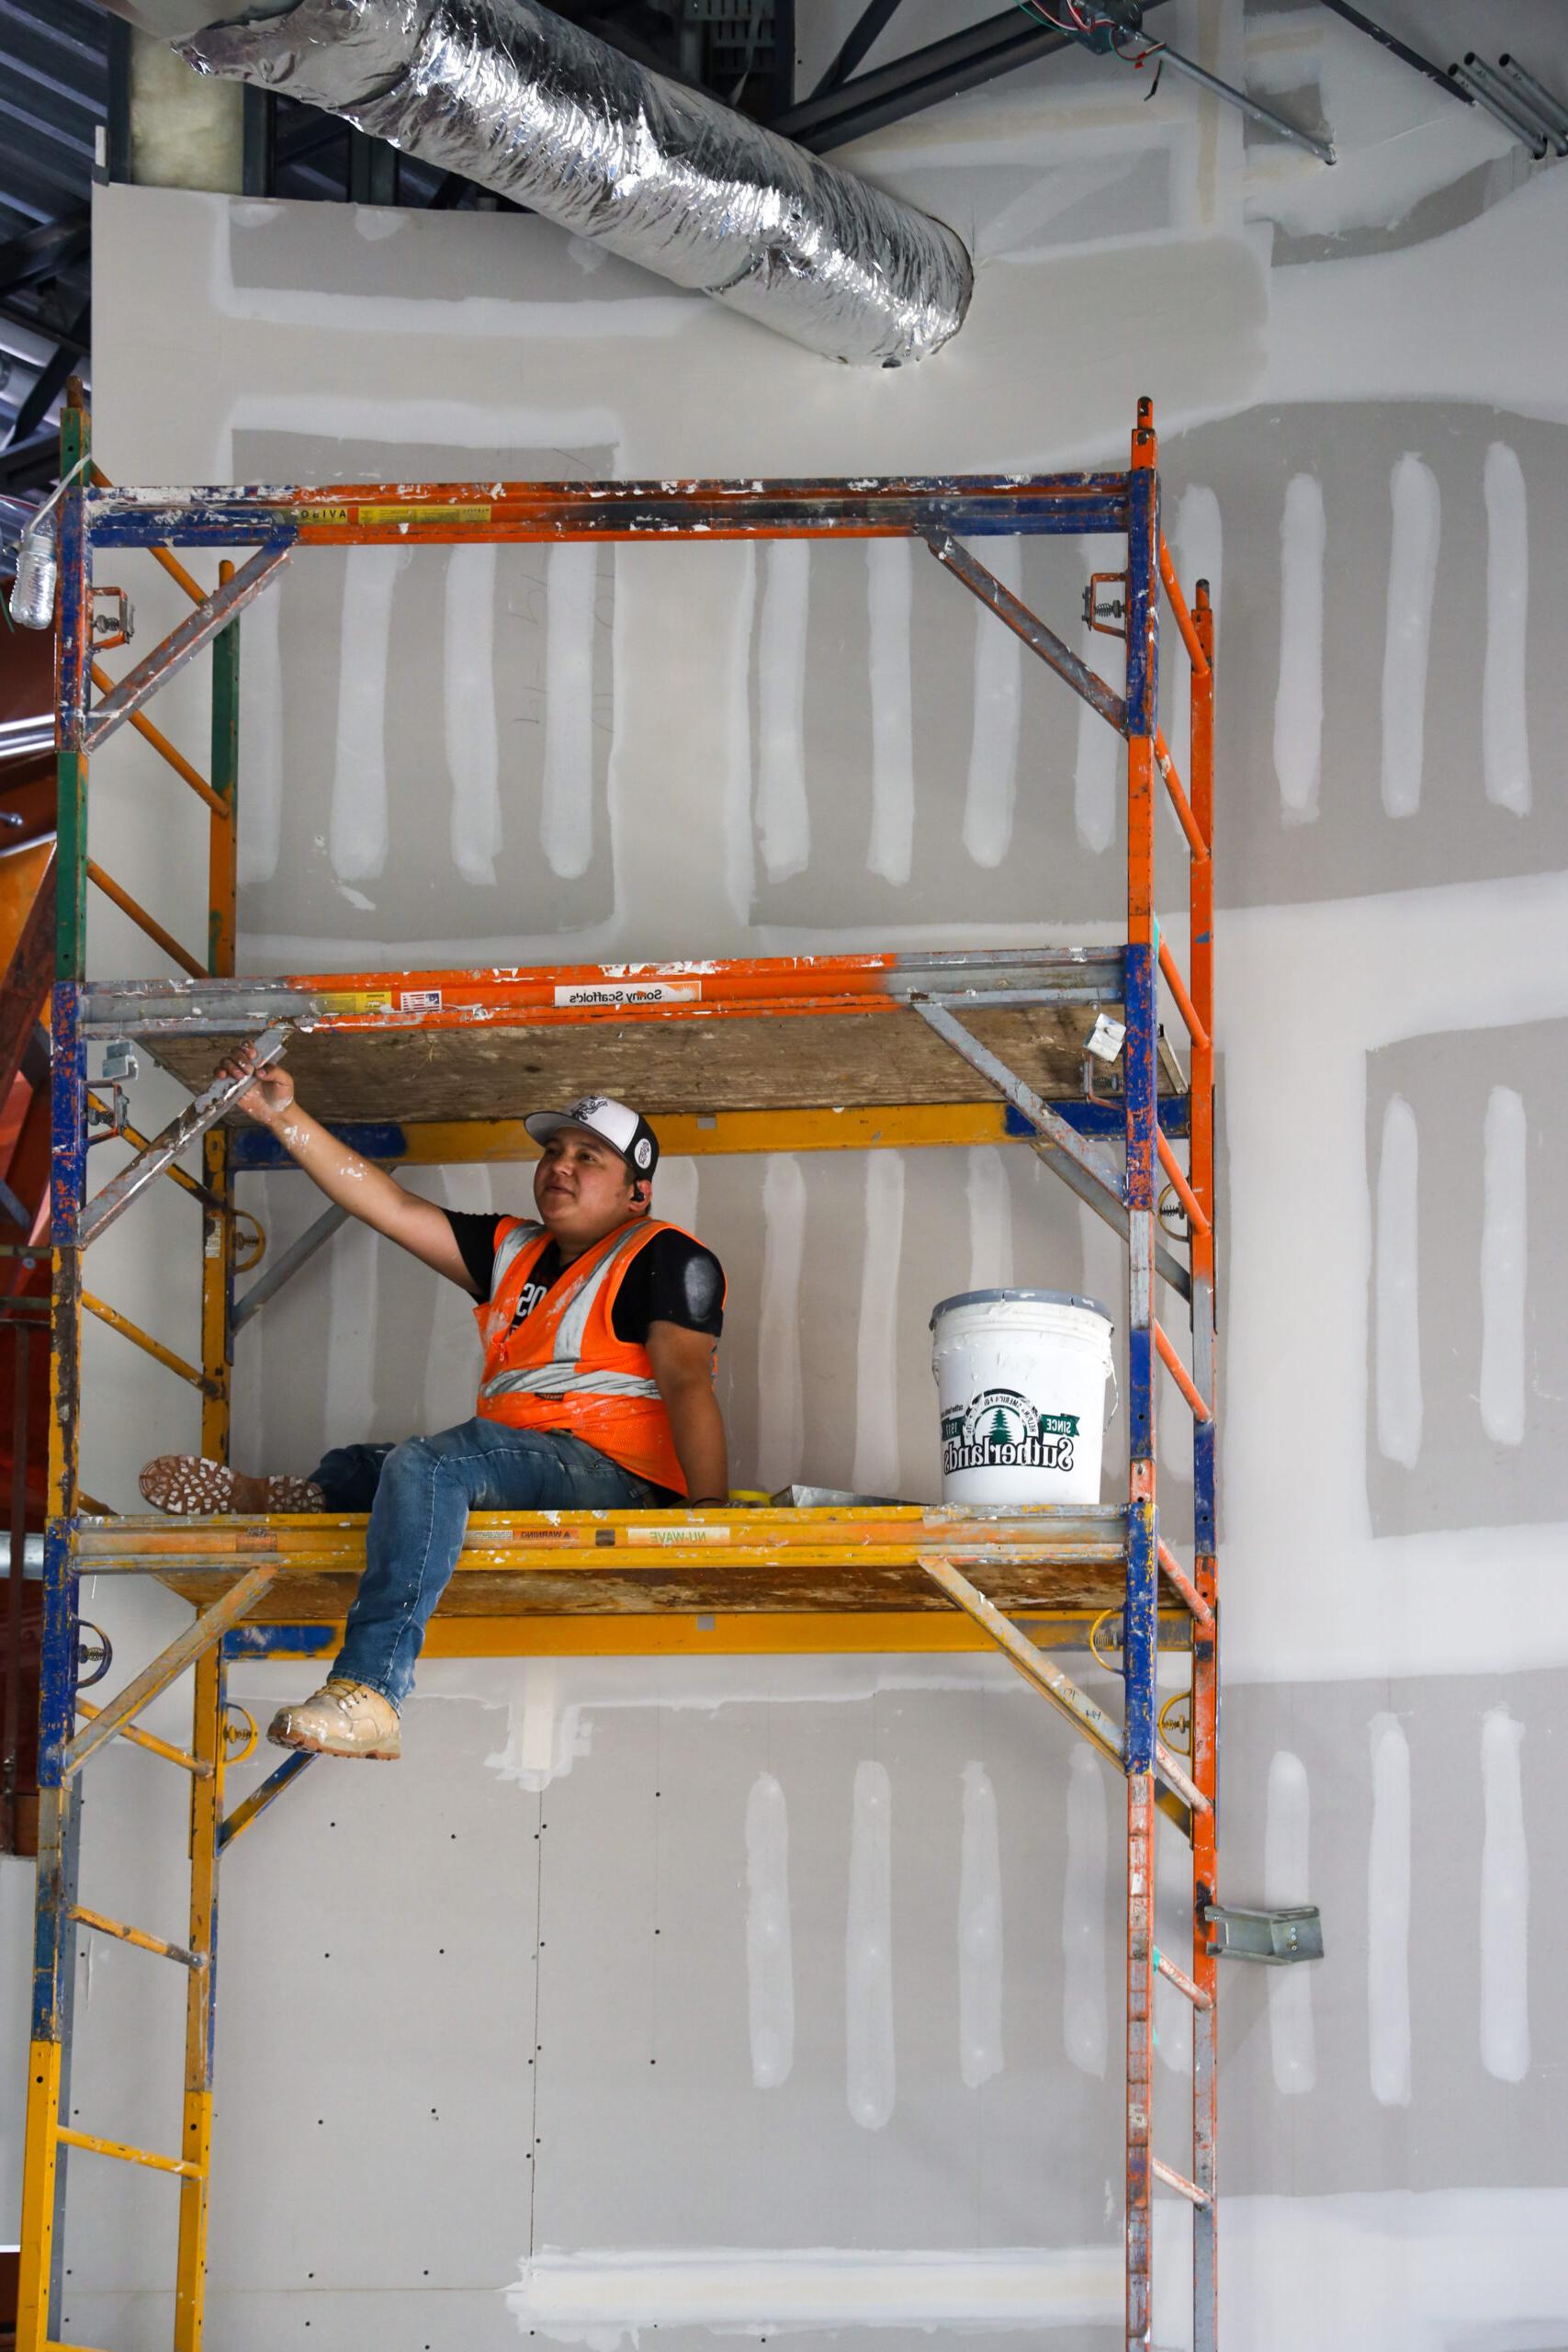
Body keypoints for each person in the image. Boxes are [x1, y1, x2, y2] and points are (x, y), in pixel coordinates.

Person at [139, 1048, 728, 1761]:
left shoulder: (666, 1256)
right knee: (368, 1467)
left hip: (618, 1475)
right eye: (553, 1150)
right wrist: (281, 1116)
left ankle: (372, 1692)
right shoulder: (513, 1247)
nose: (560, 1166)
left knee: (428, 1467)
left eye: (589, 1157)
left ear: (637, 1194)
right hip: (522, 1458)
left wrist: (709, 1520)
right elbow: (384, 1204)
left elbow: (688, 1383)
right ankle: (298, 1495)